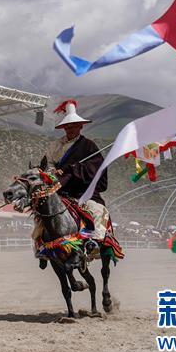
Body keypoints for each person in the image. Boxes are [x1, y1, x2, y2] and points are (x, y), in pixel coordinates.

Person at [43, 100, 109, 255]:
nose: (70, 129)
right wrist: (53, 171)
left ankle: (96, 242)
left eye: (73, 126)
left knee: (97, 210)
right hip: (59, 189)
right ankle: (42, 245)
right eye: (67, 126)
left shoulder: (89, 146)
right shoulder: (55, 146)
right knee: (42, 214)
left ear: (81, 126)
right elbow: (47, 163)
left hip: (82, 191)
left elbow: (95, 168)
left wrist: (71, 170)